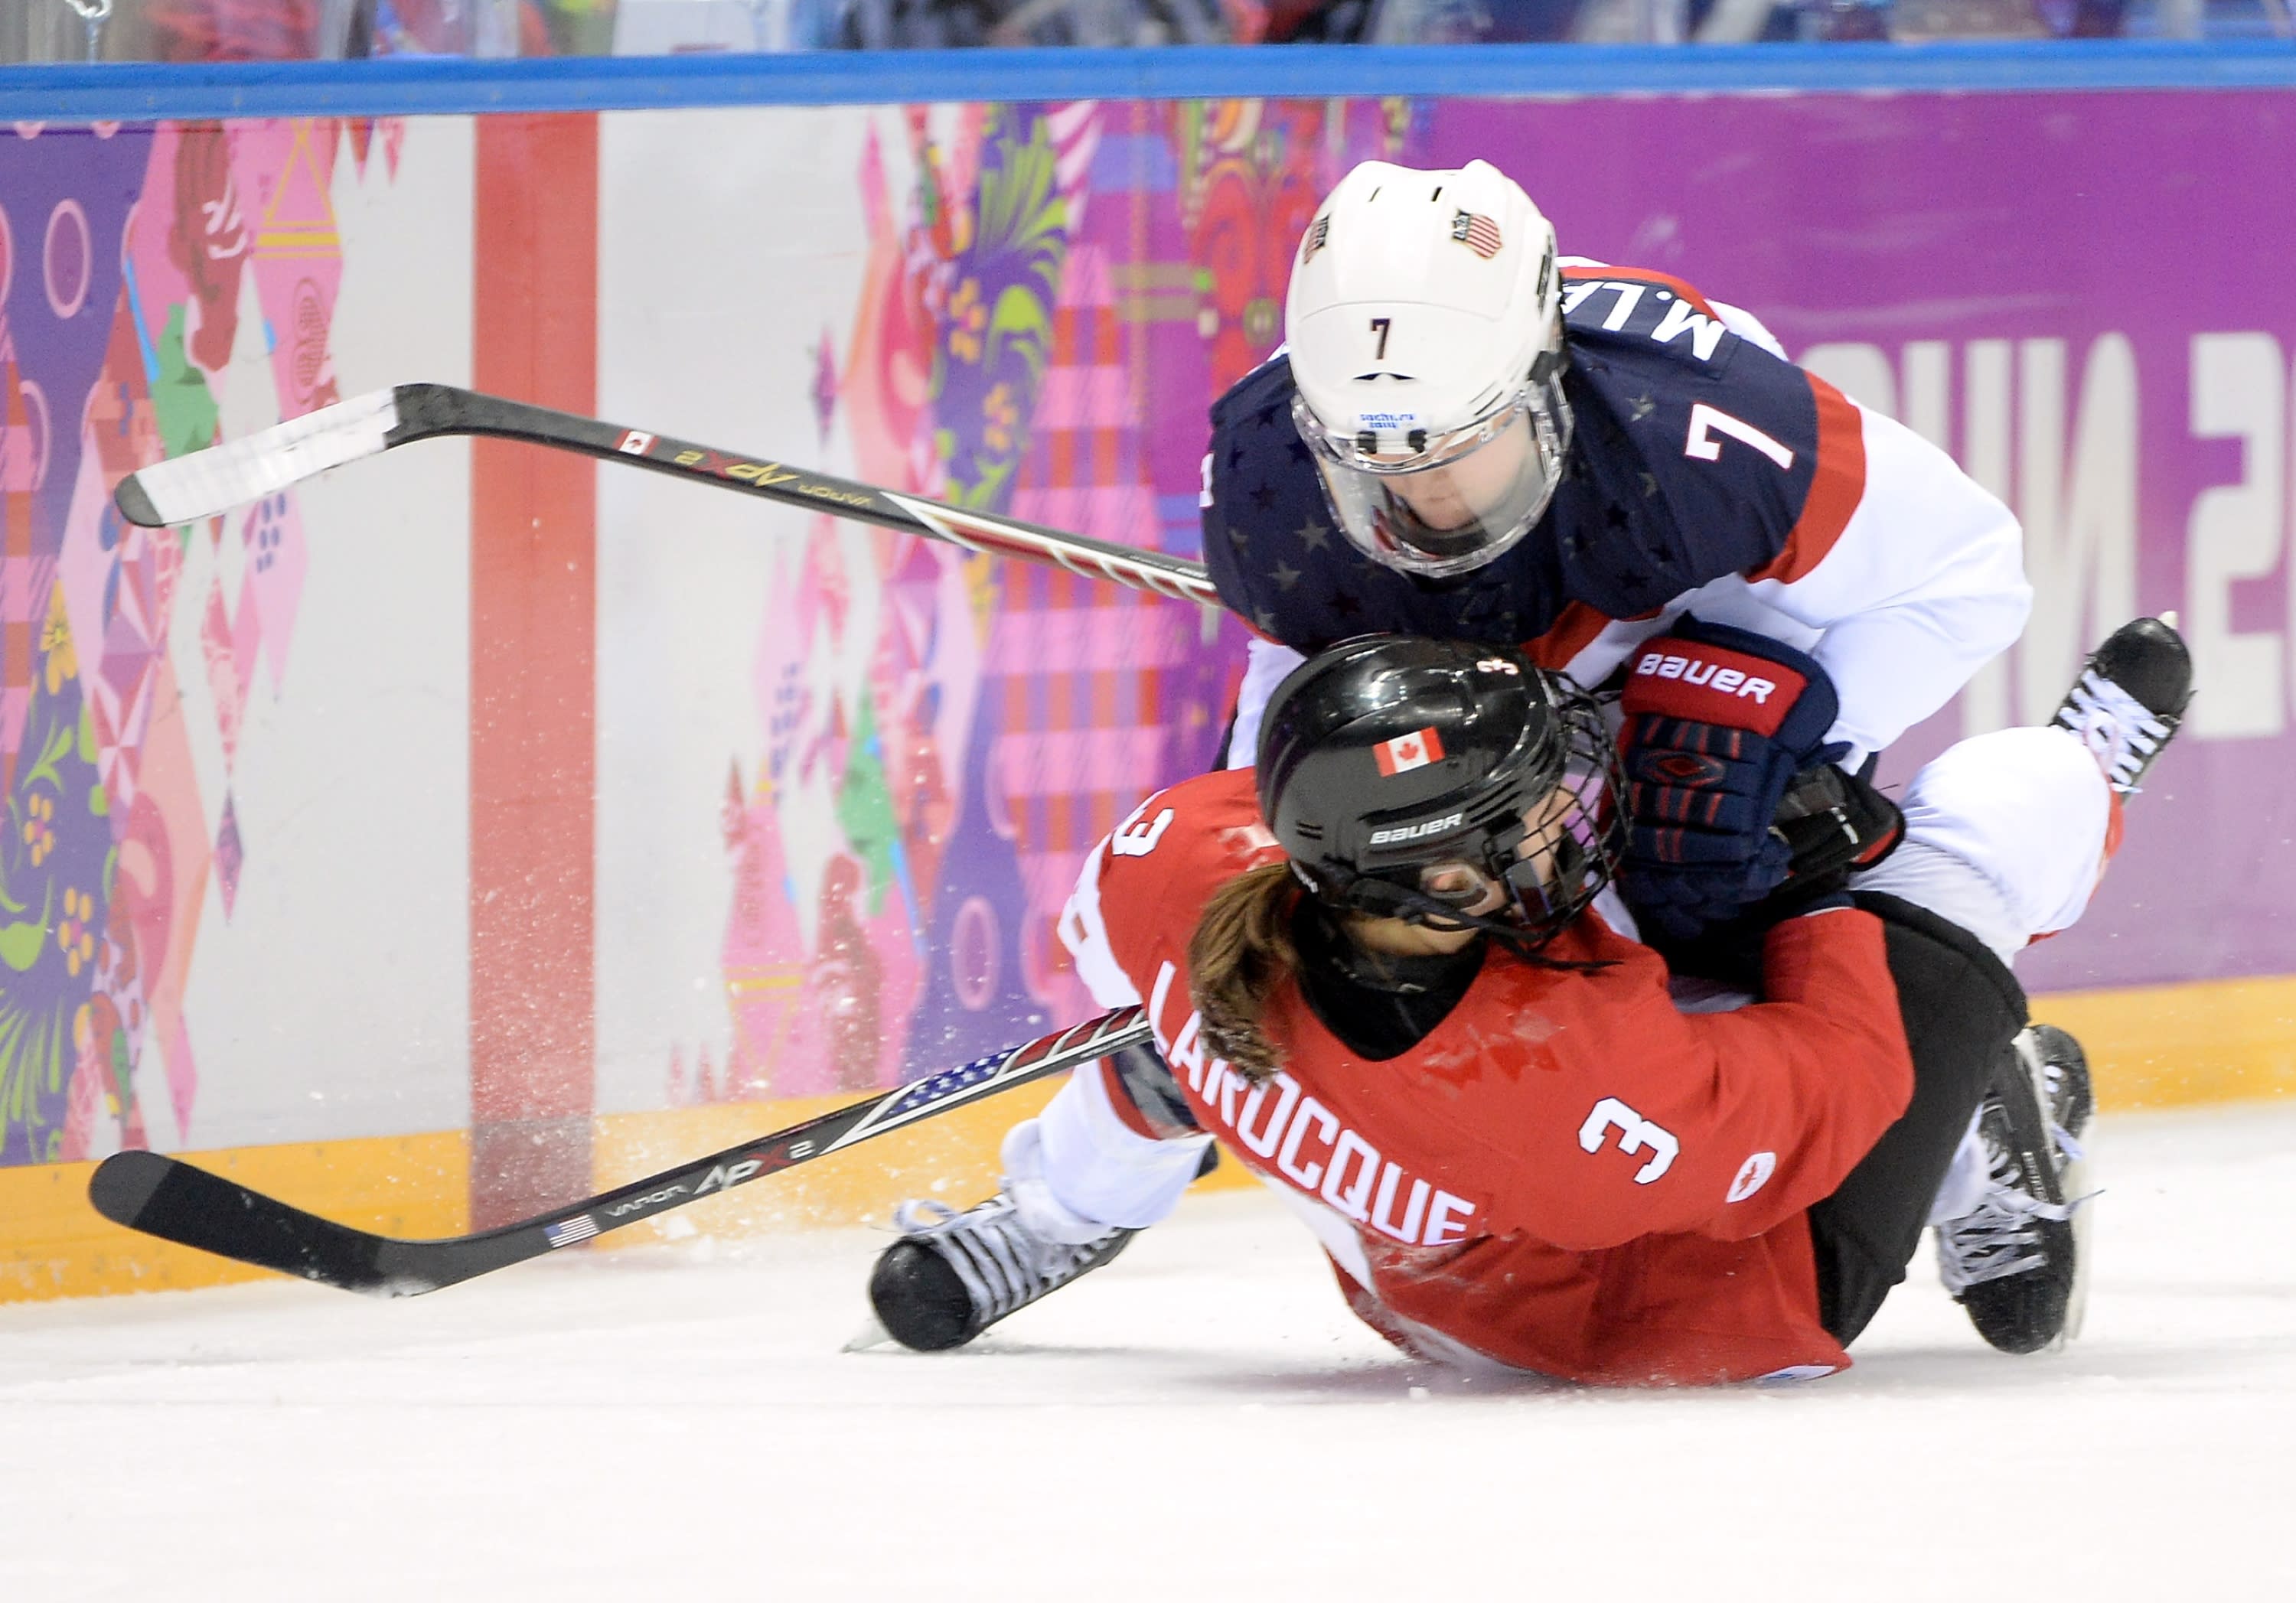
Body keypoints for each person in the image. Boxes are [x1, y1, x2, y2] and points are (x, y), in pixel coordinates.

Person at [862, 618, 2190, 1383]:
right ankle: (1991, 1134)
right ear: (1445, 873)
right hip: (1721, 1291)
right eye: (1532, 811)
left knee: (1186, 1039)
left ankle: (1057, 1206)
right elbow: (1841, 1080)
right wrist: (1830, 882)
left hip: (1417, 1287)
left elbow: (1134, 954)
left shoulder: (1178, 863)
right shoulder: (1577, 1083)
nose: (1570, 811)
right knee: (2002, 827)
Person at [1202, 156, 2028, 950]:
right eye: (1372, 461)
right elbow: (1291, 703)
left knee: (1701, 840)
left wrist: (1804, 748)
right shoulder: (1265, 473)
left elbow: (1972, 576)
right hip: (1464, 643)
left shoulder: (1713, 442)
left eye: (1463, 440)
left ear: (1545, 376)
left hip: (1689, 608)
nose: (1430, 493)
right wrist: (1267, 870)